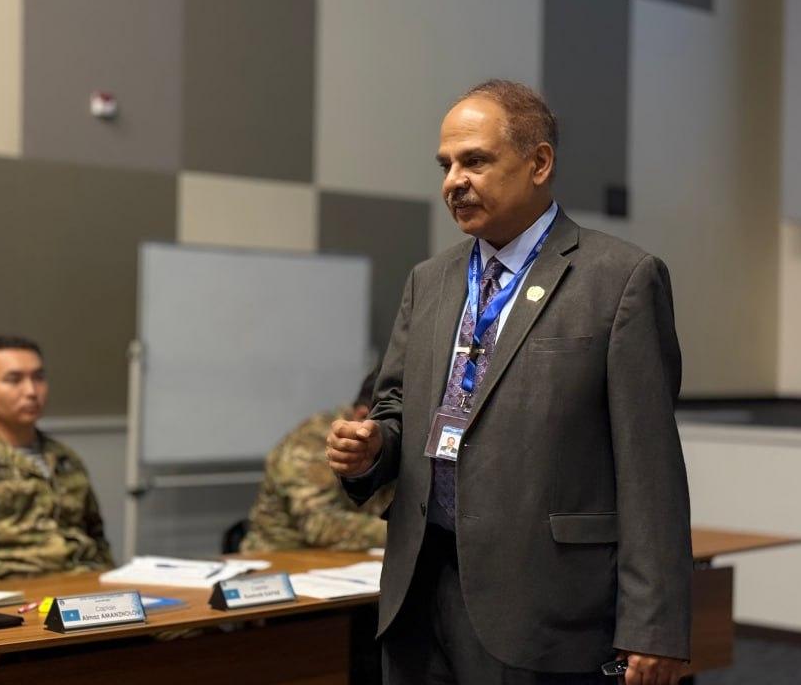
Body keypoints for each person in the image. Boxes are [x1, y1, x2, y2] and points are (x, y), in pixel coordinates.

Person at [327, 80, 692, 685]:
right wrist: (371, 449)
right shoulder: (429, 280)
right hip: (418, 591)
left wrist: (655, 625)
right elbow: (396, 407)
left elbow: (650, 467)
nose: (453, 181)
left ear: (539, 163)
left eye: (474, 161)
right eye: (445, 166)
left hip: (543, 606)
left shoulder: (620, 280)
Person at [0, 336, 114, 581]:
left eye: (38, 378)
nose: (31, 391)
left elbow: (96, 534)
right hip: (15, 588)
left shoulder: (65, 458)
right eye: (14, 380)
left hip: (86, 582)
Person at [241, 369, 395, 553]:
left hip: (357, 558)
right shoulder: (311, 442)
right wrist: (406, 532)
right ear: (363, 415)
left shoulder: (398, 444)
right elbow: (318, 525)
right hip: (282, 556)